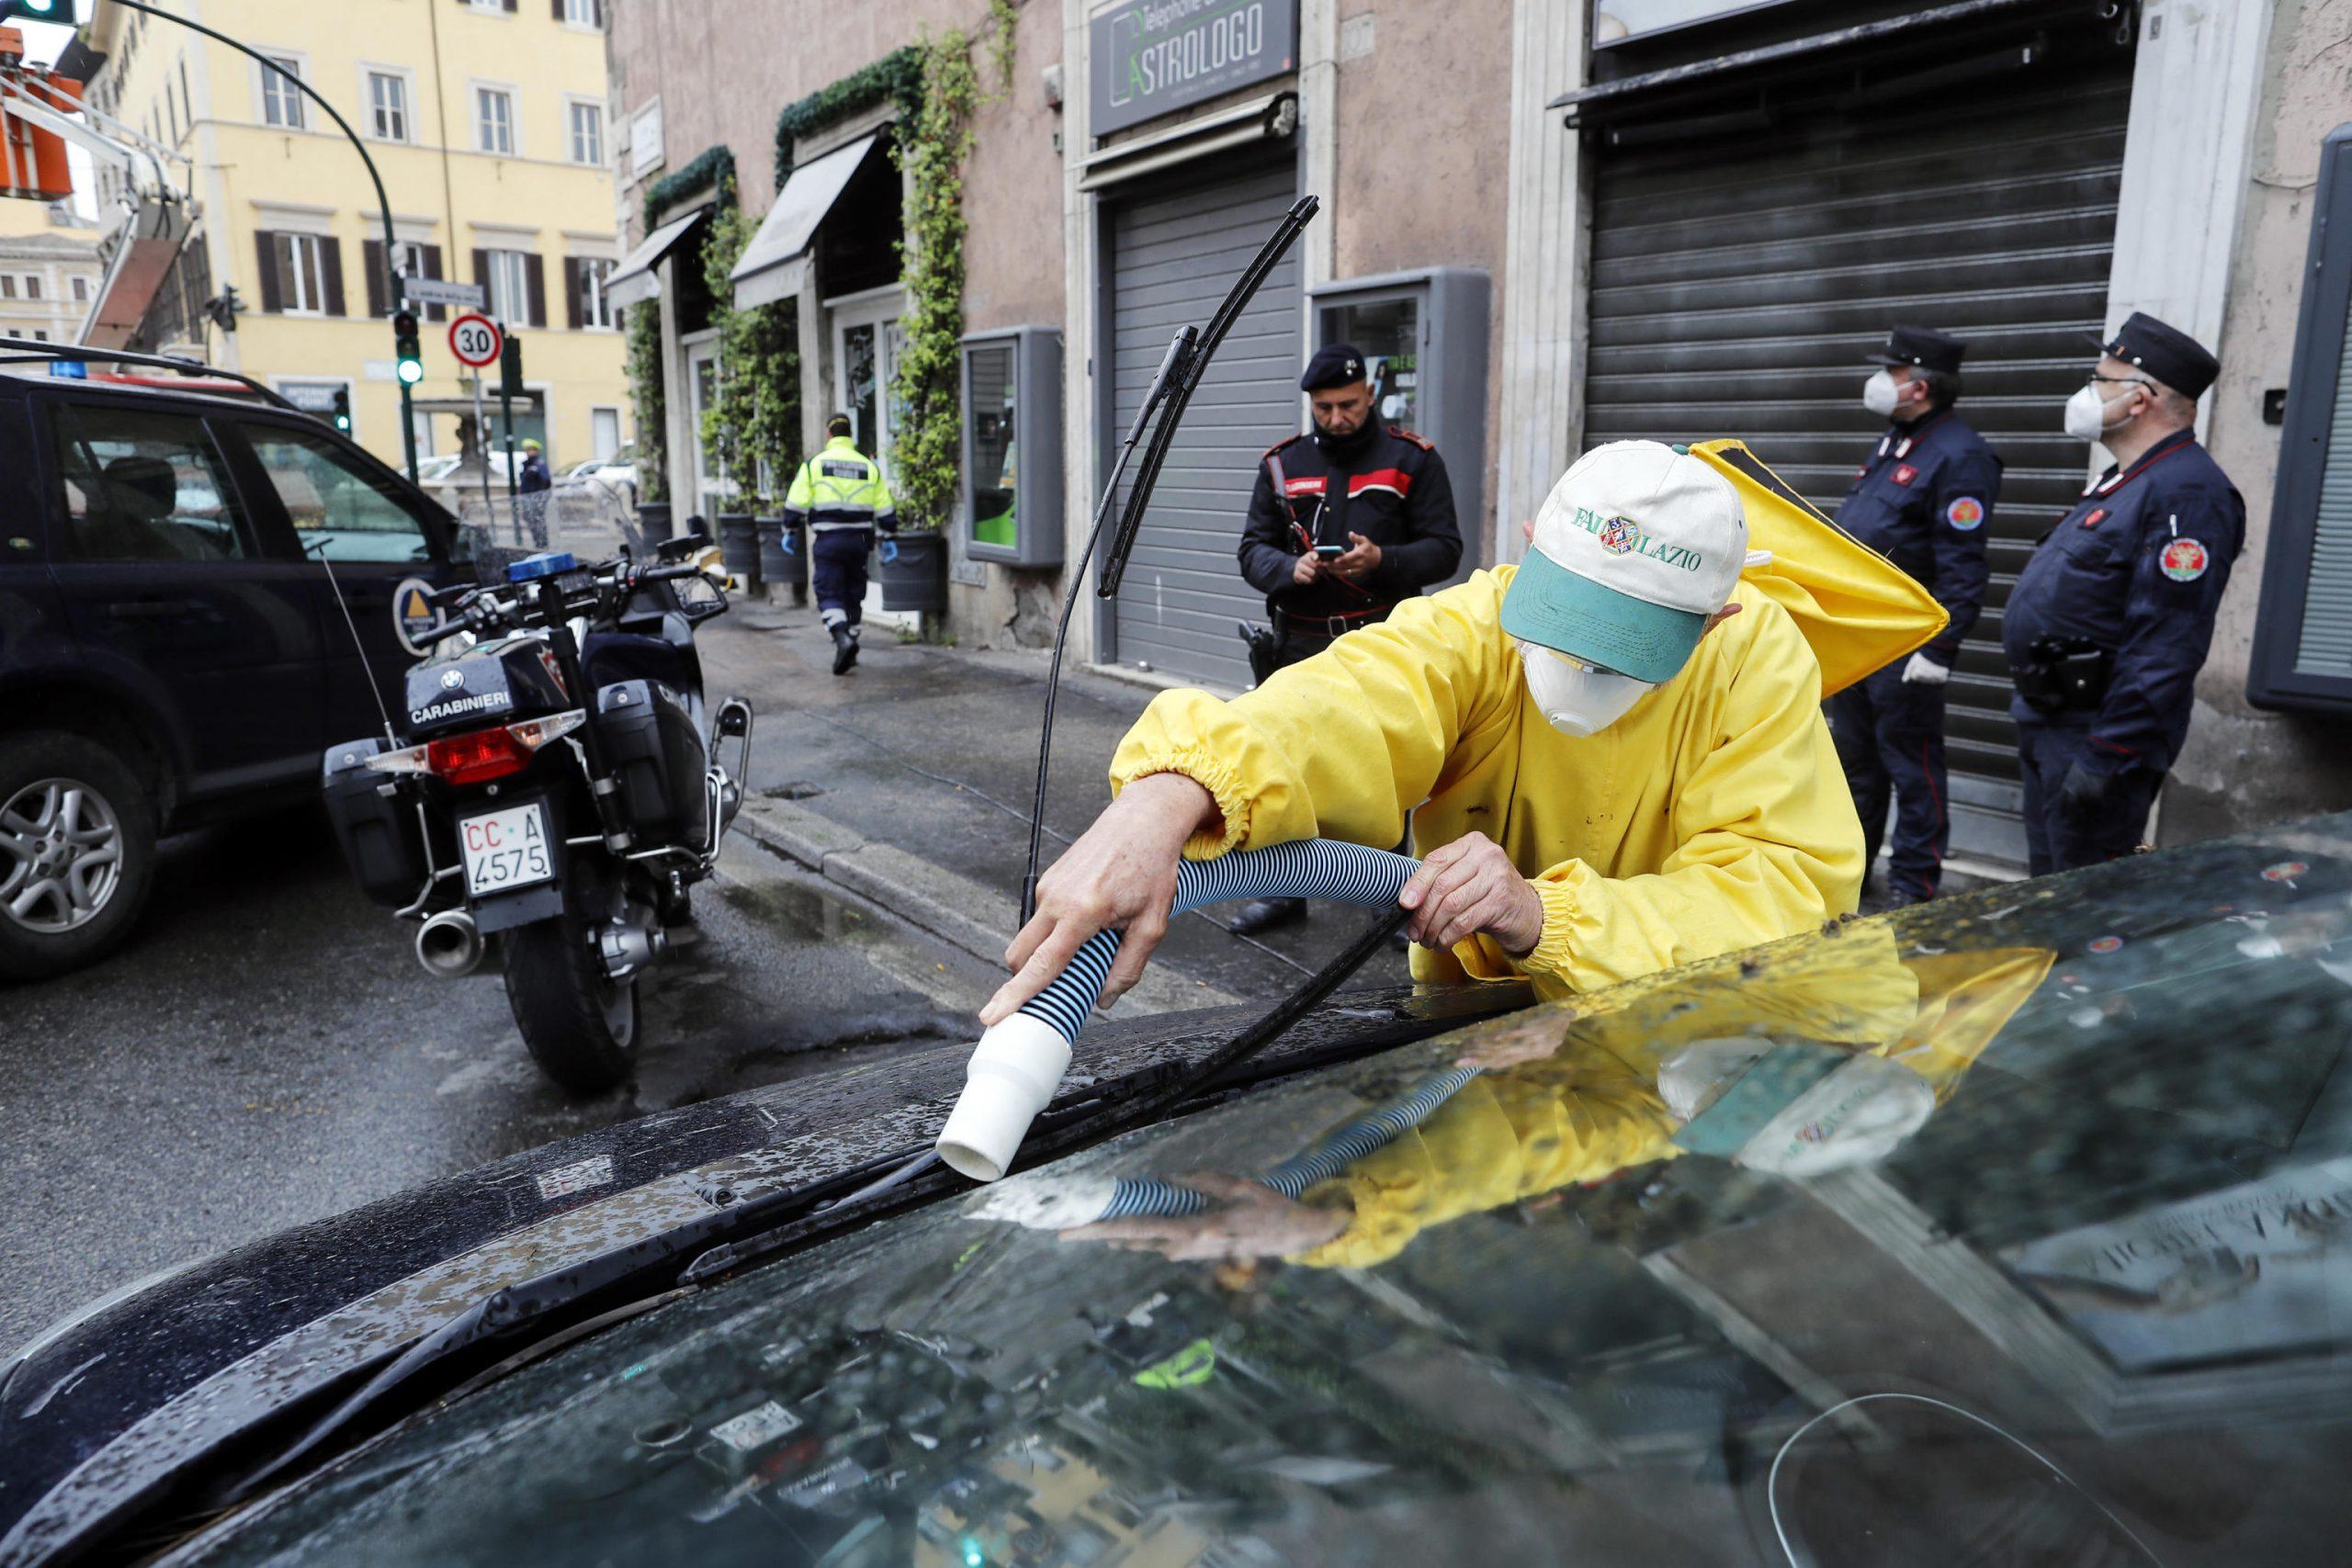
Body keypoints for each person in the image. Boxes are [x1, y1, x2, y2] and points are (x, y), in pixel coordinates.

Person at [980, 439, 1910, 1030]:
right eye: (1564, 618)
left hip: (1678, 1041)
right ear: (1530, 543)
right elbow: (1352, 698)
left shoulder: (1754, 655)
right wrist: (1170, 791)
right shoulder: (1480, 620)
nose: (1578, 669)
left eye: (1623, 647)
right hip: (1473, 1037)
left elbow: (1779, 889)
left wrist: (1546, 918)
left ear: (1712, 620)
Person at [1227, 342, 1465, 934]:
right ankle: (1283, 893)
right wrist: (1289, 570)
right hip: (1299, 643)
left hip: (1380, 639)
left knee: (1396, 766)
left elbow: (1445, 549)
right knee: (1285, 764)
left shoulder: (1412, 462)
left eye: (1348, 405)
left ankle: (1399, 901)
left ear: (1369, 396)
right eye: (1325, 406)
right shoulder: (1282, 464)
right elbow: (1252, 548)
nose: (1336, 417)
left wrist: (1383, 559)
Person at [2003, 312, 2245, 875]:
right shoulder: (2128, 479)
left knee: (2087, 905)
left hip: (2094, 736)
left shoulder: (2189, 492)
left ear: (2140, 399)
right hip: (2053, 721)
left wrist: (2107, 756)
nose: (2087, 393)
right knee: (2051, 899)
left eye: (2099, 380)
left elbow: (2167, 642)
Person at [1829, 326, 2001, 907]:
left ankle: (1913, 889)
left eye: (1894, 372)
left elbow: (1964, 567)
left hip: (1906, 643)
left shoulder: (1961, 454)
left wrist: (1939, 650)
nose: (1882, 380)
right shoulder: (1896, 441)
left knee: (1914, 770)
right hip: (1861, 640)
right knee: (1856, 765)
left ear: (1920, 385)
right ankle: (1851, 878)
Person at [784, 413, 898, 674]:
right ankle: (851, 644)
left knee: (829, 591)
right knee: (853, 592)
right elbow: (884, 506)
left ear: (829, 434)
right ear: (850, 435)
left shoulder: (815, 464)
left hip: (829, 540)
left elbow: (795, 503)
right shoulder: (868, 466)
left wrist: (789, 529)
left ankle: (842, 639)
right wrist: (889, 536)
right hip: (859, 540)